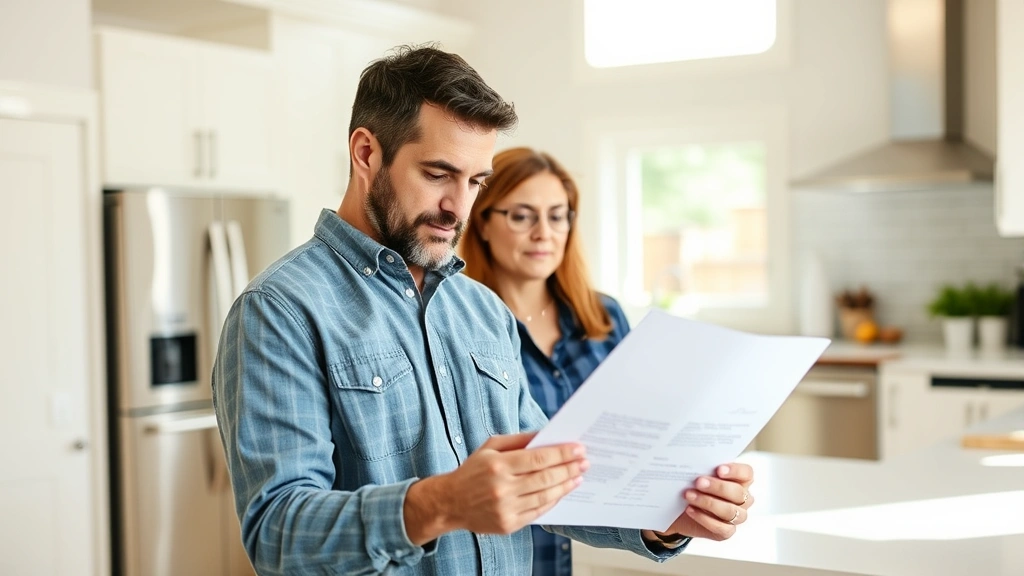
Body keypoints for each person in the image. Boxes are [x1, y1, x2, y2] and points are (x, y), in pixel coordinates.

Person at [213, 45, 754, 576]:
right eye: (437, 174)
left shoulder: (483, 311)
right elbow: (277, 533)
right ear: (365, 153)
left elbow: (549, 476)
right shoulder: (278, 311)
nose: (459, 207)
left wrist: (660, 516)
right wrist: (440, 503)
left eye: (475, 181)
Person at [460, 147, 643, 575]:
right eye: (522, 216)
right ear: (484, 222)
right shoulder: (462, 328)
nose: (544, 233)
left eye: (558, 215)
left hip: (604, 554)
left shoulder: (604, 317)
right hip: (509, 556)